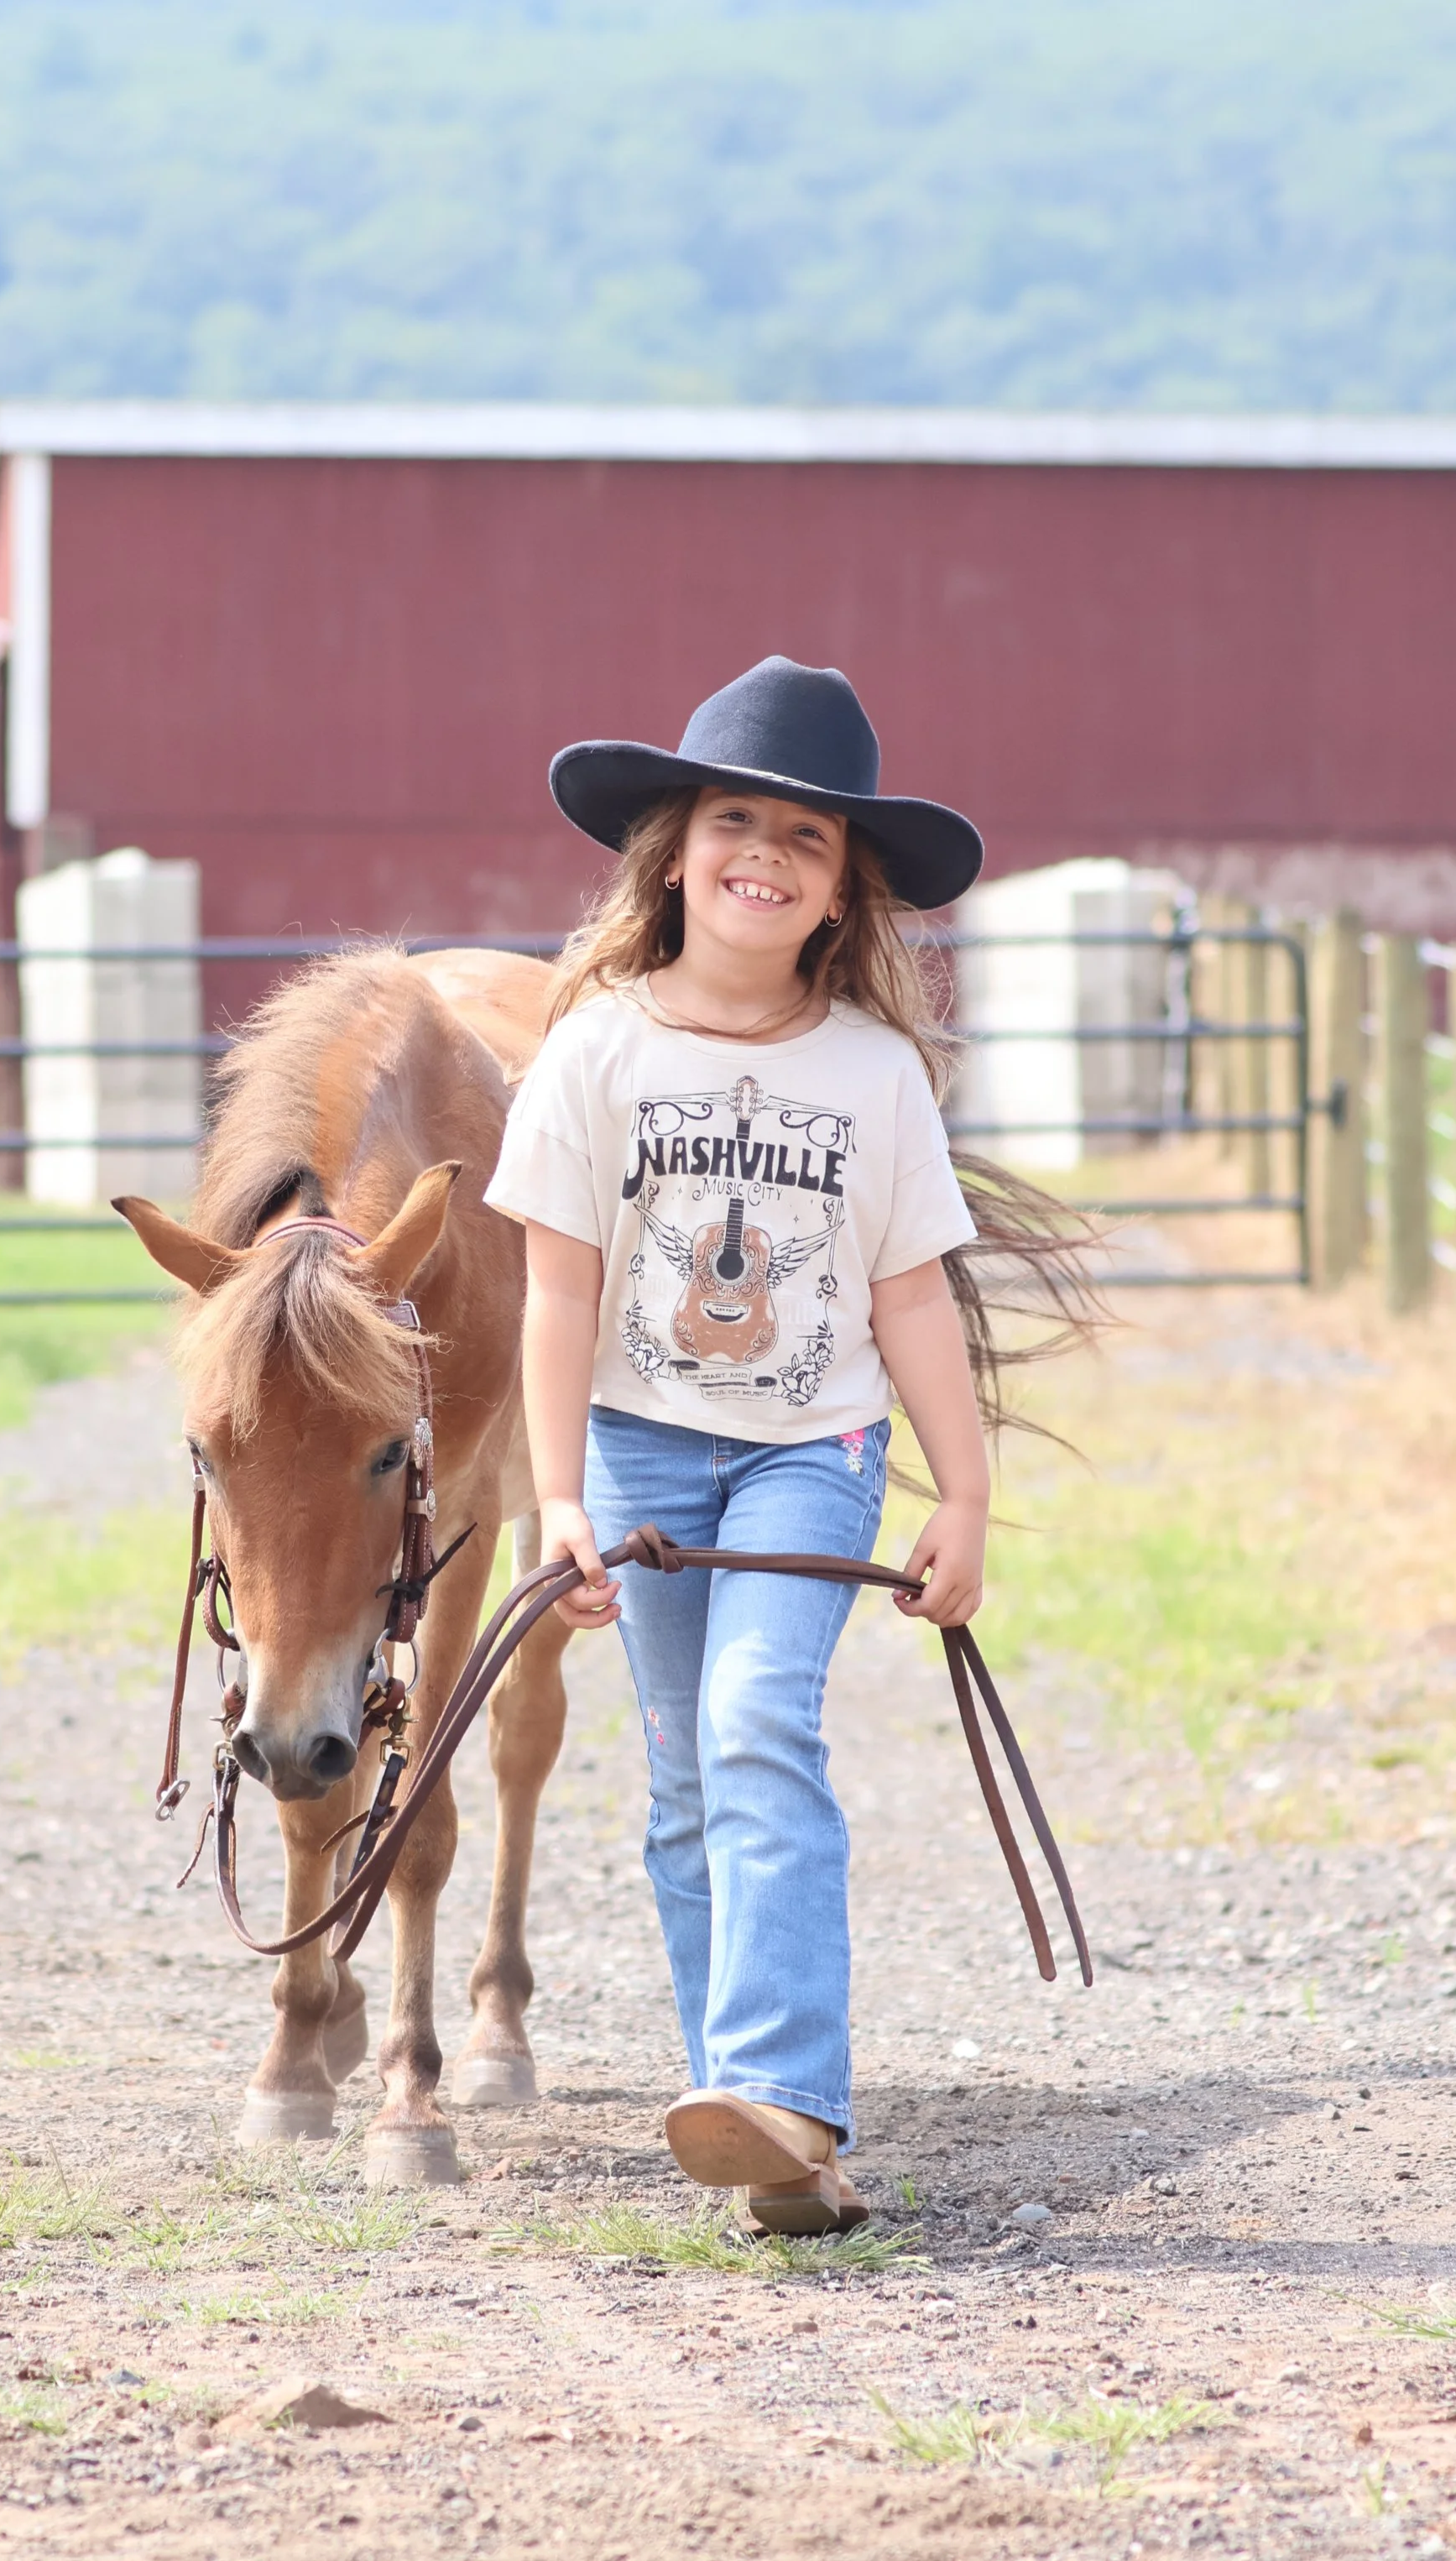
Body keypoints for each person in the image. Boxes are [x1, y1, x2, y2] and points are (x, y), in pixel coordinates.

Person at [483, 656, 1042, 2234]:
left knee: (750, 1721)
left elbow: (912, 1295)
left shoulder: (872, 1074)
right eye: (736, 819)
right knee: (677, 1781)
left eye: (806, 838)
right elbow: (557, 1287)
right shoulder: (593, 1049)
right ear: (672, 851)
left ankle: (786, 2092)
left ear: (839, 889)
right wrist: (559, 1501)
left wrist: (968, 1495)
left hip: (812, 1446)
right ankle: (749, 2115)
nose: (765, 854)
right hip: (640, 1454)